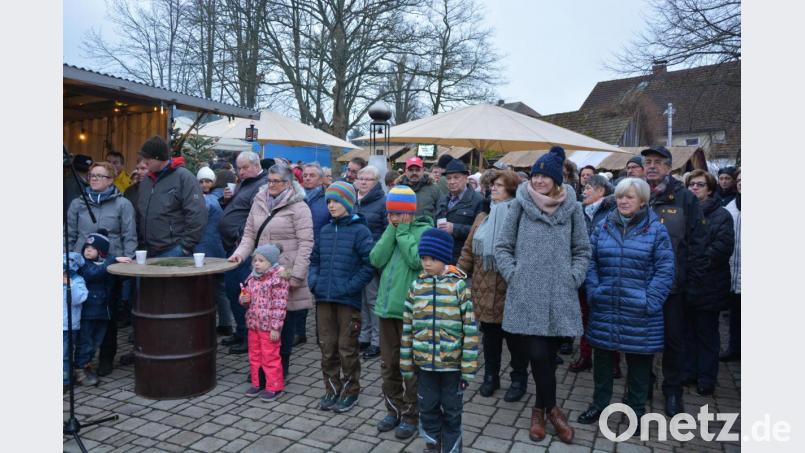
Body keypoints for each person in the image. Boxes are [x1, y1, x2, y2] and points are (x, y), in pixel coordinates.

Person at [494, 146, 590, 444]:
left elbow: (582, 250)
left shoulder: (573, 208)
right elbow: (502, 247)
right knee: (536, 354)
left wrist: (573, 277)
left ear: (556, 179)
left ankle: (539, 410)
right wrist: (515, 274)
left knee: (548, 356)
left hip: (560, 294)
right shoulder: (519, 206)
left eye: (544, 176)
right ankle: (554, 411)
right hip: (526, 293)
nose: (538, 180)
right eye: (535, 175)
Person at [576, 178, 675, 427]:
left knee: (639, 364)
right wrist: (594, 291)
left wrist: (650, 301)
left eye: (629, 197)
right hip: (606, 304)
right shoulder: (603, 226)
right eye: (620, 196)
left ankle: (636, 411)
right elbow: (591, 261)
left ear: (642, 201)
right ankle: (599, 405)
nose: (623, 201)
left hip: (639, 309)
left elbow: (665, 270)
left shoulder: (656, 230)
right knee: (602, 361)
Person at [230, 164, 314, 377]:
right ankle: (261, 364)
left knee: (284, 321)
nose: (272, 185)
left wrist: (297, 274)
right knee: (261, 318)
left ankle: (280, 366)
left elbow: (306, 243)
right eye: (270, 180)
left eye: (277, 181)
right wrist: (239, 254)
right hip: (261, 272)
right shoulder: (259, 201)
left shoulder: (299, 207)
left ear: (288, 183)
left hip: (285, 272)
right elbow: (249, 234)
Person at [641, 145, 707, 417]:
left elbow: (698, 244)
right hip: (640, 284)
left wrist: (692, 283)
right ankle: (642, 385)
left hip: (673, 286)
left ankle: (672, 391)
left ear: (669, 168)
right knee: (641, 337)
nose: (652, 166)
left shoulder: (684, 198)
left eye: (658, 162)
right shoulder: (635, 193)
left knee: (673, 340)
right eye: (648, 162)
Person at [401, 228, 479, 453]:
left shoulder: (458, 288)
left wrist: (468, 368)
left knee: (452, 411)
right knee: (427, 408)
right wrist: (406, 363)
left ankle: (452, 448)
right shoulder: (416, 288)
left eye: (432, 258)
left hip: (452, 367)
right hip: (425, 366)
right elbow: (408, 327)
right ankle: (432, 445)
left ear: (444, 258)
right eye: (423, 258)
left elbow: (470, 330)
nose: (426, 263)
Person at [457, 170, 529, 401]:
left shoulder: (520, 217)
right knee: (490, 338)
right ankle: (490, 377)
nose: (493, 188)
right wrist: (457, 274)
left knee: (515, 339)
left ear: (511, 189)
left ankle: (518, 379)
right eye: (492, 185)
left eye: (499, 185)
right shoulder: (482, 217)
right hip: (484, 287)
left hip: (509, 287)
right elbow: (468, 250)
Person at [369, 185, 434, 439]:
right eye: (390, 213)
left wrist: (404, 232)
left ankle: (411, 415)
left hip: (410, 313)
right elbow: (376, 259)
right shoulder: (392, 229)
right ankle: (393, 409)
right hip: (387, 311)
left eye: (397, 213)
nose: (393, 217)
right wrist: (391, 230)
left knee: (410, 368)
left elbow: (417, 261)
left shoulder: (424, 231)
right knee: (389, 365)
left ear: (409, 212)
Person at [309, 182, 375, 413]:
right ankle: (331, 389)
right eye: (328, 201)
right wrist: (314, 281)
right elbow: (315, 260)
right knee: (327, 347)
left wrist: (350, 287)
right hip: (324, 299)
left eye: (336, 201)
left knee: (347, 348)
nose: (331, 205)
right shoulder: (325, 230)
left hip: (347, 300)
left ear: (347, 202)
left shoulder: (360, 231)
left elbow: (369, 264)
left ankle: (350, 391)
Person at [66, 161, 138, 376]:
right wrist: (67, 262)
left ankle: (106, 358)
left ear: (111, 179)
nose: (95, 179)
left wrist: (128, 262)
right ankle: (80, 361)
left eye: (100, 175)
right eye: (92, 175)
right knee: (80, 314)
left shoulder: (123, 204)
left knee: (108, 314)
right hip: (82, 267)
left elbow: (129, 235)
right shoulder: (78, 203)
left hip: (110, 267)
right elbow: (69, 234)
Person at [683, 170, 734, 395]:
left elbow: (722, 248)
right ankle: (689, 371)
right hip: (687, 282)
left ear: (710, 189)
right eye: (691, 184)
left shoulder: (722, 215)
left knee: (707, 334)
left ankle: (706, 377)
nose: (694, 188)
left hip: (709, 283)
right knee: (687, 331)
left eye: (700, 185)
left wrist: (694, 261)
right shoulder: (684, 212)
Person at [569, 174, 622, 375]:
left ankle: (613, 361)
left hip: (604, 274)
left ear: (601, 190)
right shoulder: (580, 211)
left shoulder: (613, 211)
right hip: (582, 272)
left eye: (588, 188)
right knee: (585, 316)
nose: (584, 191)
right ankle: (585, 355)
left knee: (607, 318)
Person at [218, 151, 269, 354]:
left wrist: (239, 235)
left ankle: (248, 337)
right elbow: (238, 209)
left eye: (245, 167)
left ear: (257, 165)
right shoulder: (245, 183)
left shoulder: (261, 185)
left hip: (245, 248)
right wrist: (226, 200)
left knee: (244, 293)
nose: (241, 171)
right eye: (239, 168)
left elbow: (258, 216)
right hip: (233, 246)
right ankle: (240, 331)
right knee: (233, 291)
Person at [75, 230, 131, 386]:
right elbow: (95, 274)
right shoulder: (84, 265)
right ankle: (80, 369)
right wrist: (112, 260)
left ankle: (86, 365)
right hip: (88, 314)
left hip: (103, 313)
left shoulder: (106, 264)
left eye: (93, 248)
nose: (88, 250)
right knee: (85, 342)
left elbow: (115, 278)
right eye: (86, 247)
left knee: (95, 343)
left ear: (101, 252)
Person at [136, 136, 207, 258]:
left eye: (147, 158)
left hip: (174, 250)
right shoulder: (146, 180)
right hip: (148, 251)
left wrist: (185, 246)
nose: (144, 161)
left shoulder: (184, 178)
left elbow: (197, 214)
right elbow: (140, 214)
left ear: (158, 158)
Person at [242, 243, 290, 402]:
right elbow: (247, 300)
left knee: (270, 357)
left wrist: (275, 328)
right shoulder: (251, 278)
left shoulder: (278, 280)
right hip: (253, 325)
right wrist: (244, 299)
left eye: (261, 260)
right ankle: (258, 383)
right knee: (254, 356)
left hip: (268, 328)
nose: (257, 263)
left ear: (271, 262)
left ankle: (275, 387)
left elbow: (279, 306)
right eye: (255, 260)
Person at [196, 167, 233, 336]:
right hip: (218, 249)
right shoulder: (222, 198)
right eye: (201, 181)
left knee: (208, 287)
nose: (204, 184)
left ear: (214, 182)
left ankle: (207, 323)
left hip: (205, 250)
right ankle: (225, 323)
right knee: (220, 288)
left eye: (207, 181)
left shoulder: (207, 200)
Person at [355, 166, 388, 359]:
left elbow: (386, 232)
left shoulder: (383, 202)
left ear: (376, 182)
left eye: (368, 179)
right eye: (361, 178)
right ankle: (364, 336)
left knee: (373, 301)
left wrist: (375, 253)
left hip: (373, 260)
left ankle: (377, 341)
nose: (363, 182)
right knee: (361, 301)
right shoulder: (354, 200)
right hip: (356, 260)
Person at [298, 162, 331, 346]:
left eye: (312, 175)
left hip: (321, 252)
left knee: (320, 293)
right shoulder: (297, 197)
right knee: (299, 291)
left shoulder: (328, 198)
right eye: (305, 175)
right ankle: (299, 332)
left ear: (321, 179)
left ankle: (322, 334)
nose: (308, 178)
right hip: (300, 250)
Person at [435, 159, 484, 264]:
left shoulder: (478, 200)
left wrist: (455, 228)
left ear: (466, 178)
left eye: (456, 177)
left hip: (464, 260)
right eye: (449, 178)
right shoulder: (443, 199)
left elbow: (481, 232)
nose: (452, 181)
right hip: (442, 257)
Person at [721, 169, 741, 362]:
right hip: (734, 269)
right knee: (736, 313)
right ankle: (734, 347)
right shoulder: (730, 208)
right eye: (740, 180)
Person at [64, 252, 89, 392]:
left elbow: (78, 299)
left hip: (68, 325)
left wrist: (70, 284)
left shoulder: (78, 281)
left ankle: (65, 380)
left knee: (65, 355)